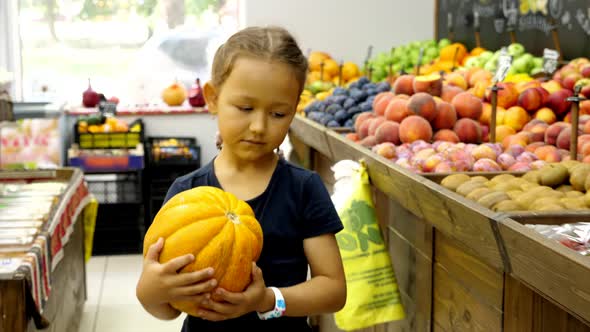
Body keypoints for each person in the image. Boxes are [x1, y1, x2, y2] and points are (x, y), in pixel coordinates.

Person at [136, 26, 347, 331]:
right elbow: (166, 310)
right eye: (245, 108)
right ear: (212, 98)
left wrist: (267, 300)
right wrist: (152, 290)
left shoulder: (303, 189)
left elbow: (333, 290)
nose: (259, 126)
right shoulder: (186, 191)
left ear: (294, 110)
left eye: (278, 114)